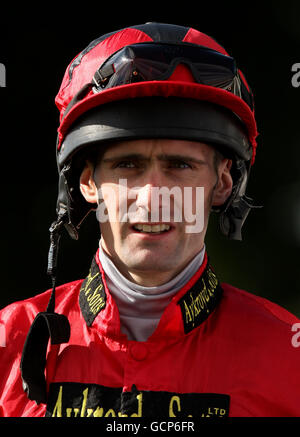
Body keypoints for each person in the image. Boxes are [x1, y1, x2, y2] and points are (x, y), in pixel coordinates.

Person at [0, 22, 299, 418]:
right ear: (88, 182)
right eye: (128, 165)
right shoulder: (7, 342)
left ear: (223, 182)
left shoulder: (289, 355)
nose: (153, 195)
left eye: (180, 165)